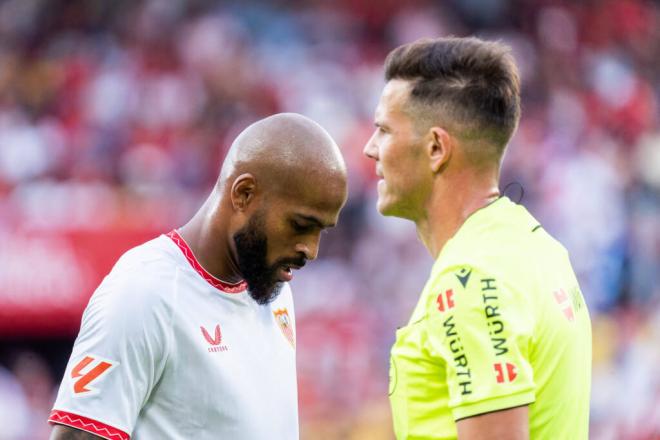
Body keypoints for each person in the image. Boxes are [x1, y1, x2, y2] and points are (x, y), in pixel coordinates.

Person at [48, 113, 348, 440]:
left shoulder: (272, 285)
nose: (312, 250)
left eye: (322, 231)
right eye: (301, 225)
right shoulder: (145, 292)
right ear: (244, 194)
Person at [363, 37, 591, 439]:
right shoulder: (539, 247)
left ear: (436, 148)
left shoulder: (471, 277)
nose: (370, 149)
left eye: (383, 130)